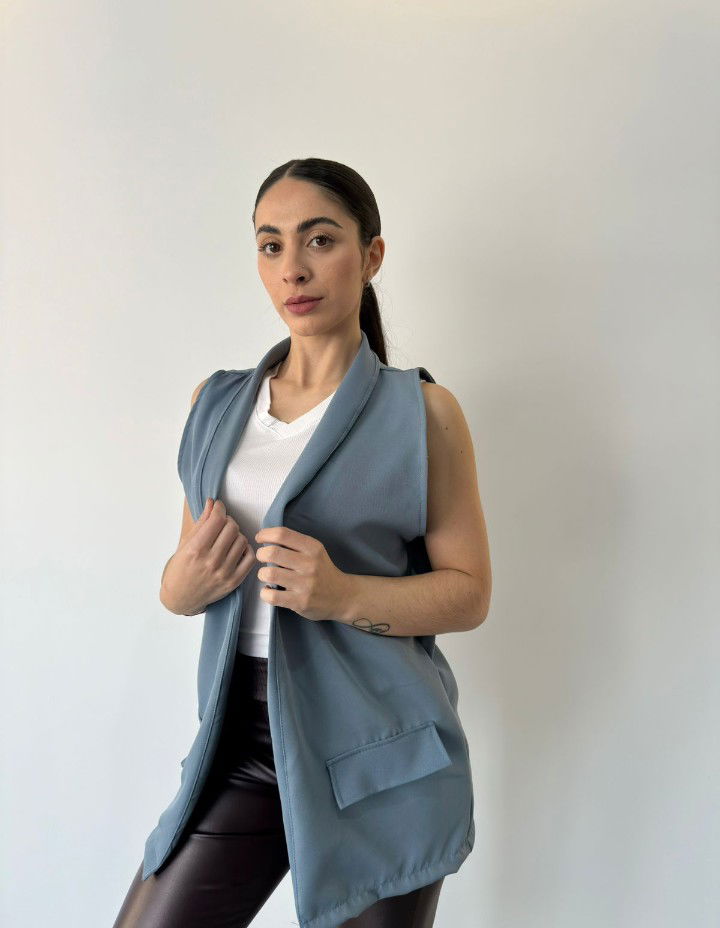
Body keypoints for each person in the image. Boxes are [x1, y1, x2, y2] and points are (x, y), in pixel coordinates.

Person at [112, 157, 491, 927]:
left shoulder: (423, 414)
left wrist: (344, 595)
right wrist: (179, 588)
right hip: (239, 745)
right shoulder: (215, 404)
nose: (293, 268)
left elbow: (468, 593)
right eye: (271, 245)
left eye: (320, 240)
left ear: (371, 255)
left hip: (378, 755)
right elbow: (184, 574)